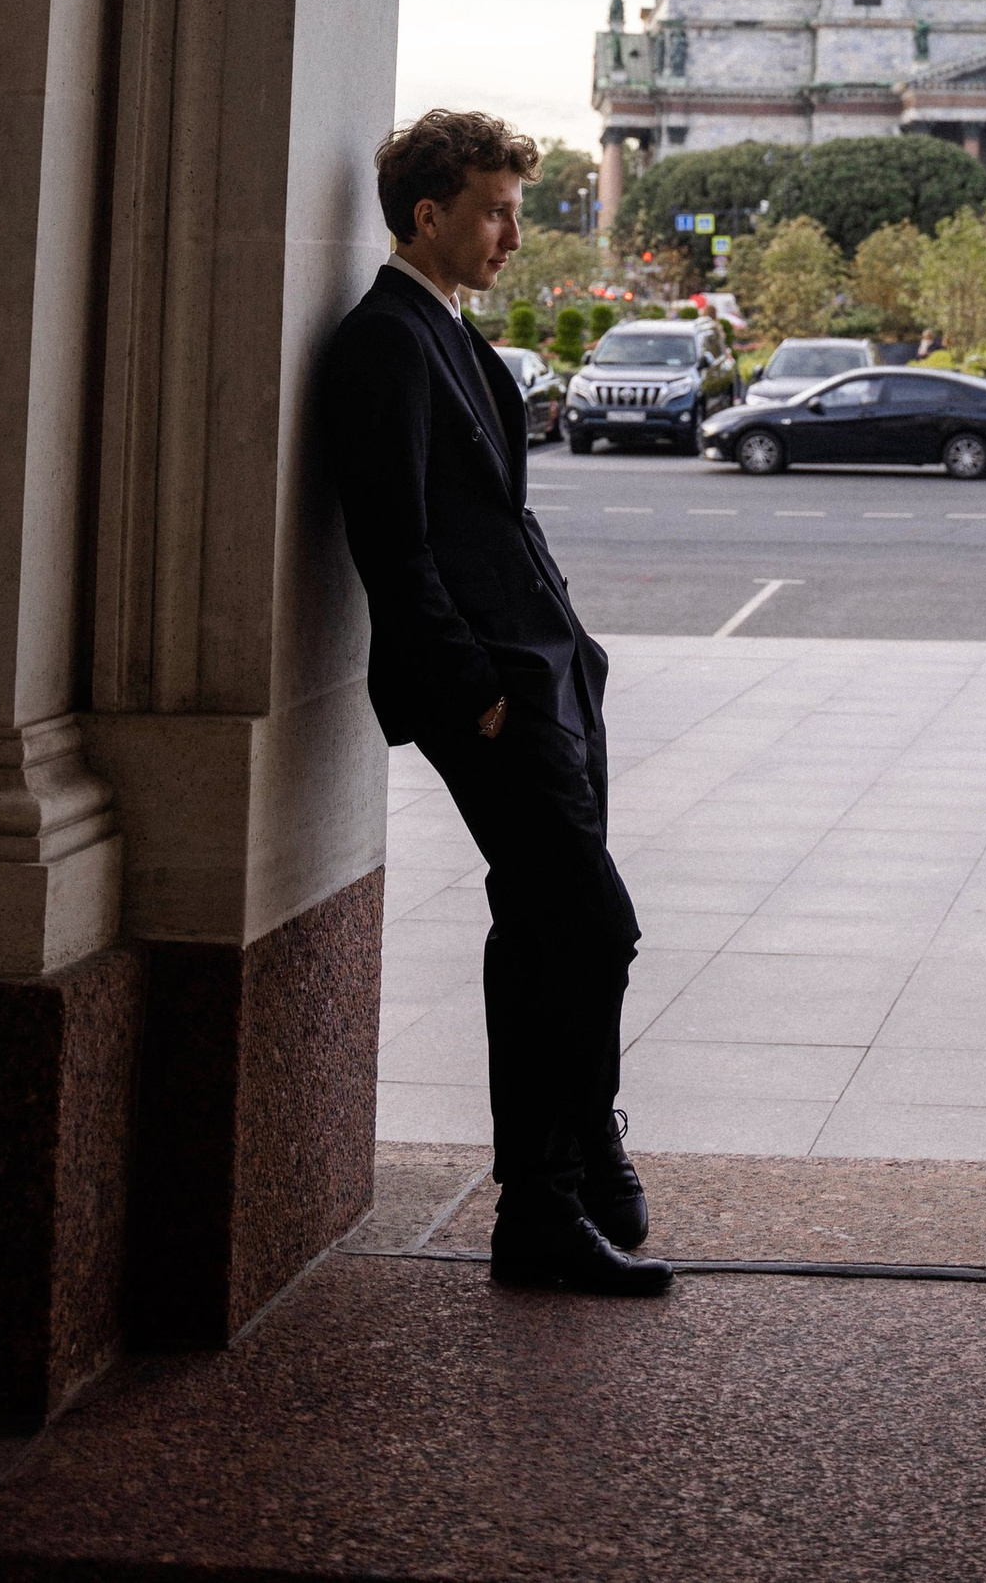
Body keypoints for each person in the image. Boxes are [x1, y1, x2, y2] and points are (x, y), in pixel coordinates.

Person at [320, 107, 671, 1298]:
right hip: (494, 696)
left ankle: (563, 1183)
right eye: (496, 212)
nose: (514, 234)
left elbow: (495, 521)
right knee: (593, 928)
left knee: (538, 933)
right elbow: (394, 542)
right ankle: (556, 1186)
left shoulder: (445, 331)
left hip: (550, 677)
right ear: (430, 214)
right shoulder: (386, 342)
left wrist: (575, 656)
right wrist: (473, 694)